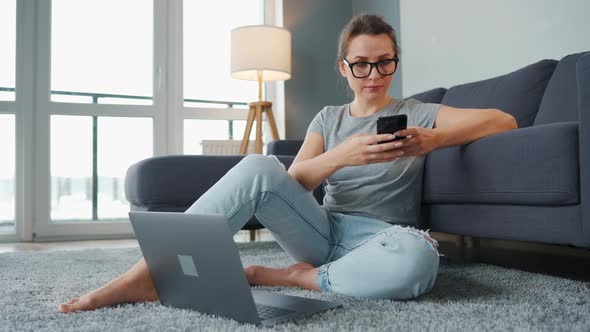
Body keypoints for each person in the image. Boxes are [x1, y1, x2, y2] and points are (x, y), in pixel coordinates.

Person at [58, 14, 517, 313]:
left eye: (384, 63)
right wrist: (340, 156)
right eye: (361, 64)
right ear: (343, 68)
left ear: (395, 63)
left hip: (385, 238)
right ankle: (143, 277)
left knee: (421, 259)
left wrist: (432, 139)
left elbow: (504, 121)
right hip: (324, 231)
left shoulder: (417, 112)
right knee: (259, 167)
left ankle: (290, 277)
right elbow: (290, 181)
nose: (373, 75)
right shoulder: (328, 118)